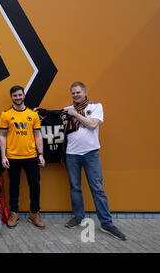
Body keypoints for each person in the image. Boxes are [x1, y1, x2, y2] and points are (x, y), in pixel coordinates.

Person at [63, 82, 126, 240]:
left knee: (97, 188)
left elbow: (92, 124)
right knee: (75, 187)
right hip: (71, 154)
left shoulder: (96, 106)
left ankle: (106, 223)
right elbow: (52, 119)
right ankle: (78, 217)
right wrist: (41, 113)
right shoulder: (67, 109)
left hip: (90, 153)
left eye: (78, 92)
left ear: (84, 92)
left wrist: (75, 114)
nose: (75, 95)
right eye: (73, 93)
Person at [0, 85, 46, 229]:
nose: (18, 97)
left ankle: (34, 213)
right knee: (14, 185)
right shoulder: (5, 114)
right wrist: (3, 156)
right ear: (11, 97)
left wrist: (41, 154)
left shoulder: (33, 115)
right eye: (15, 95)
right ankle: (14, 213)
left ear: (24, 95)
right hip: (12, 157)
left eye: (20, 95)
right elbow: (2, 136)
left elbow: (38, 135)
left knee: (35, 186)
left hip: (31, 156)